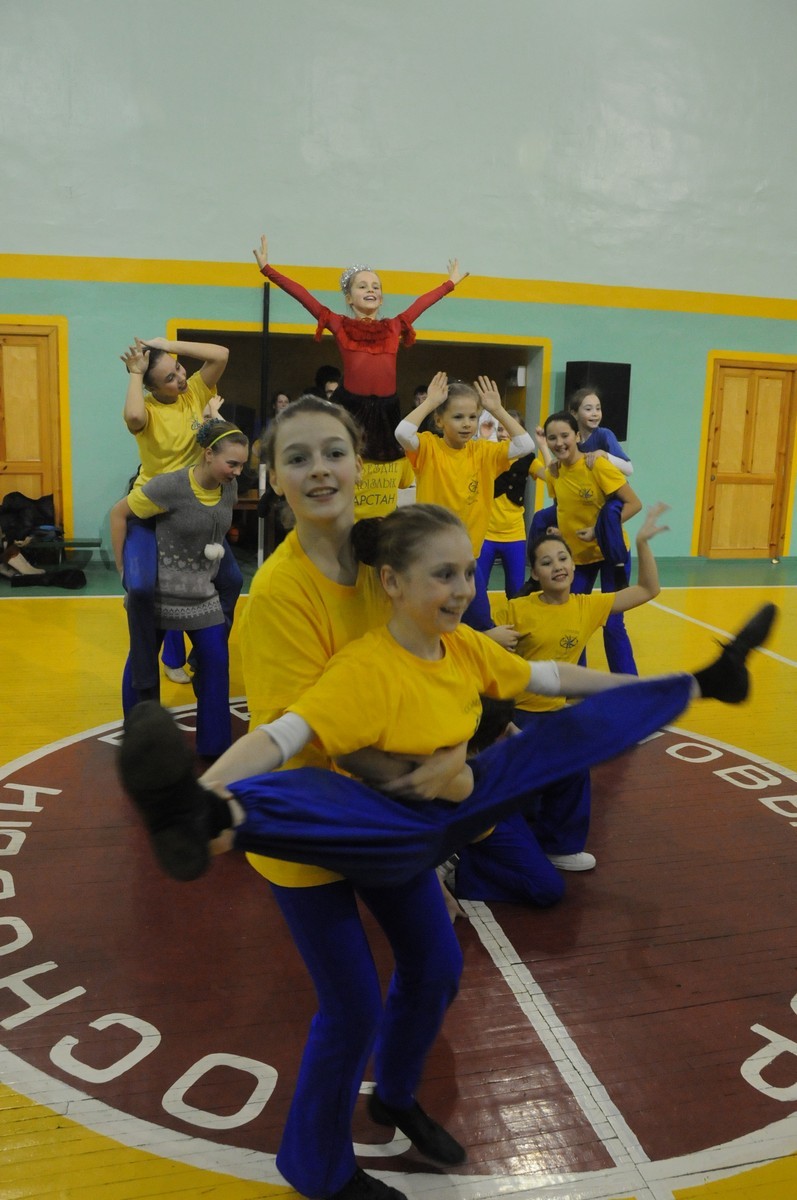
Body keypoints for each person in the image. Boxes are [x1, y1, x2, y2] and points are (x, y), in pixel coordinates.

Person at [488, 503, 669, 873]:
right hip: (515, 714)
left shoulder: (588, 606)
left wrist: (642, 543)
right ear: (535, 573)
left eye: (562, 558)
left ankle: (561, 845)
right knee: (517, 789)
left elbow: (649, 589)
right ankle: (495, 843)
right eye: (546, 562)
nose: (557, 566)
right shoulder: (515, 610)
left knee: (574, 766)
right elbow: (482, 662)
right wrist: (506, 723)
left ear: (573, 566)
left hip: (555, 714)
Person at [254, 235, 468, 461]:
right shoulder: (339, 324)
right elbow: (304, 296)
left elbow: (422, 303)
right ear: (349, 298)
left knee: (387, 461)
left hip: (386, 407)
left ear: (381, 299)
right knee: (342, 456)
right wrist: (267, 270)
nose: (370, 290)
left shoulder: (393, 326)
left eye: (376, 287)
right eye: (362, 286)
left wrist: (449, 284)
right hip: (351, 405)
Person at [110, 420, 248, 759]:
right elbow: (119, 514)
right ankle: (142, 743)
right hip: (160, 597)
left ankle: (214, 749)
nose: (238, 472)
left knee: (216, 663)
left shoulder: (228, 488)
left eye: (242, 465)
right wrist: (124, 569)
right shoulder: (169, 487)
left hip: (203, 597)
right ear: (208, 454)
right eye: (232, 463)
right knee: (142, 664)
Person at [119, 337, 242, 694]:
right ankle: (149, 670)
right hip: (154, 510)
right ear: (153, 388)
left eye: (178, 368)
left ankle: (202, 656)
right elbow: (133, 416)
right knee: (148, 590)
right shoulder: (147, 409)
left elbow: (221, 354)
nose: (181, 378)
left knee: (231, 581)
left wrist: (167, 344)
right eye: (170, 378)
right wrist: (135, 373)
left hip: (191, 513)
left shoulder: (195, 392)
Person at [395, 373, 534, 629]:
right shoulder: (429, 448)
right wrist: (430, 402)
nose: (467, 424)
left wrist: (498, 410)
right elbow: (402, 433)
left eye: (473, 417)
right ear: (439, 420)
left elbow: (525, 445)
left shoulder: (483, 452)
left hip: (468, 559)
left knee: (481, 626)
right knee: (432, 625)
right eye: (458, 417)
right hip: (431, 558)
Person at [537, 410, 642, 673]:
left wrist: (598, 530)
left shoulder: (597, 466)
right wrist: (561, 530)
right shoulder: (554, 472)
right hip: (578, 557)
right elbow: (563, 506)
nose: (559, 443)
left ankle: (628, 685)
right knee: (574, 620)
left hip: (611, 553)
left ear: (576, 436)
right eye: (552, 438)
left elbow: (634, 504)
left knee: (613, 623)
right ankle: (577, 681)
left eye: (564, 435)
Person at [477, 411, 535, 599]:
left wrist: (544, 445)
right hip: (486, 534)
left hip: (514, 534)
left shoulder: (528, 458)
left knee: (516, 589)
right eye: (500, 429)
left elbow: (551, 476)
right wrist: (483, 437)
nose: (503, 434)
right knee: (477, 588)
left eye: (508, 429)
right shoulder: (489, 453)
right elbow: (474, 461)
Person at [568, 386, 633, 475]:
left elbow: (629, 469)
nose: (595, 413)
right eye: (588, 409)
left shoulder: (605, 435)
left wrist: (604, 454)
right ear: (574, 414)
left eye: (598, 409)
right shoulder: (573, 439)